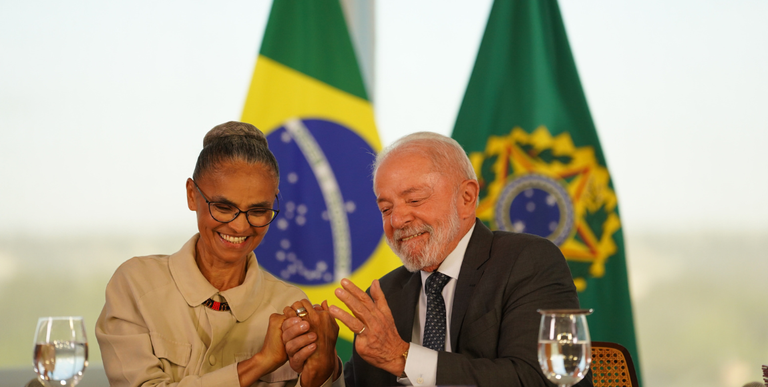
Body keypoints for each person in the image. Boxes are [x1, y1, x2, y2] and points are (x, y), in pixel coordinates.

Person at [284, 131, 593, 387]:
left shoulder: (528, 262)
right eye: (386, 209)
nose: (398, 220)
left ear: (467, 198)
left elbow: (543, 380)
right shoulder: (385, 295)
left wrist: (404, 358)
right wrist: (326, 371)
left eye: (414, 199)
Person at [95, 122, 340, 387]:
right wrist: (261, 362)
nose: (240, 226)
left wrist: (319, 376)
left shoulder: (290, 305)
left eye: (258, 211)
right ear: (192, 195)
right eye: (223, 207)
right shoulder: (135, 285)